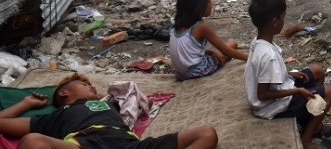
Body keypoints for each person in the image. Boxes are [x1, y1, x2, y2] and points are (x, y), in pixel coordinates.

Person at [0, 73, 218, 148]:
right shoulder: (56, 115)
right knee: (31, 141)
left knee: (206, 134)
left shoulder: (112, 103)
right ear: (65, 93)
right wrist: (26, 104)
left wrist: (142, 101)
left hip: (128, 143)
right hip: (84, 143)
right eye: (84, 84)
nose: (92, 86)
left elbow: (141, 103)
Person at [245, 0, 331, 149]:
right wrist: (297, 91)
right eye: (283, 17)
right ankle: (307, 140)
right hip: (272, 107)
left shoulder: (259, 41)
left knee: (317, 71)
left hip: (278, 89)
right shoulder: (268, 56)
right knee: (329, 92)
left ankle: (311, 124)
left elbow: (264, 74)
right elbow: (263, 94)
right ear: (275, 22)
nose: (284, 21)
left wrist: (289, 74)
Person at [169, 0, 248, 80]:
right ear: (199, 6)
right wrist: (251, 58)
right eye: (209, 2)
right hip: (196, 71)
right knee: (232, 44)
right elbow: (225, 50)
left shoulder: (175, 27)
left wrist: (210, 51)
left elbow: (186, 52)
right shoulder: (201, 27)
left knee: (217, 52)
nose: (211, 5)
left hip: (180, 74)